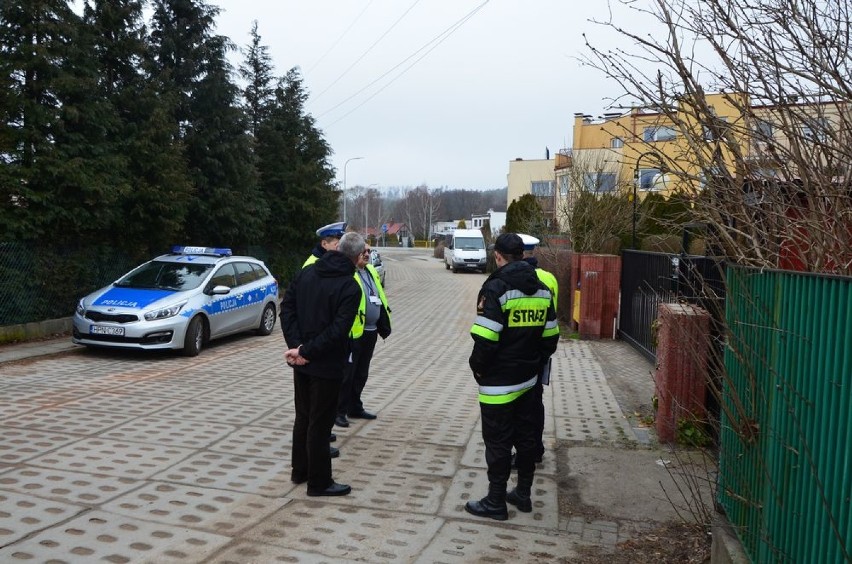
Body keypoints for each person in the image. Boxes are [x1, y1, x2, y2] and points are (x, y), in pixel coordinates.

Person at [464, 233, 559, 520]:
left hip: (498, 383)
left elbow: (486, 339)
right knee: (527, 438)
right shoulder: (542, 289)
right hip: (529, 382)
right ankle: (523, 494)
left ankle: (495, 501)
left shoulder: (495, 288)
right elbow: (551, 339)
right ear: (523, 255)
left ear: (498, 256)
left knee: (498, 441)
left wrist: (477, 368)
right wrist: (533, 363)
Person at [281, 231, 367, 497]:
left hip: (303, 361)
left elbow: (287, 310)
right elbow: (339, 329)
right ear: (356, 256)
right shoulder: (349, 285)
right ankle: (319, 482)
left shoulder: (307, 273)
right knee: (320, 422)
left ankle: (300, 471)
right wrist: (305, 349)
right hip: (327, 364)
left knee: (304, 417)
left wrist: (298, 348)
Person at [336, 244, 391, 426]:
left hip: (371, 330)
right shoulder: (349, 273)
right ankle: (339, 411)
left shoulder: (370, 271)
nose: (367, 254)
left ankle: (355, 406)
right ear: (355, 253)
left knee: (362, 372)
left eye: (369, 251)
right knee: (348, 374)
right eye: (364, 251)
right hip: (354, 333)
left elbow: (379, 295)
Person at [517, 233, 559, 465]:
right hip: (542, 352)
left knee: (520, 406)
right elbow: (553, 318)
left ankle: (525, 451)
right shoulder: (550, 278)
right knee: (536, 401)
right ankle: (537, 446)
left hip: (519, 354)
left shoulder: (516, 278)